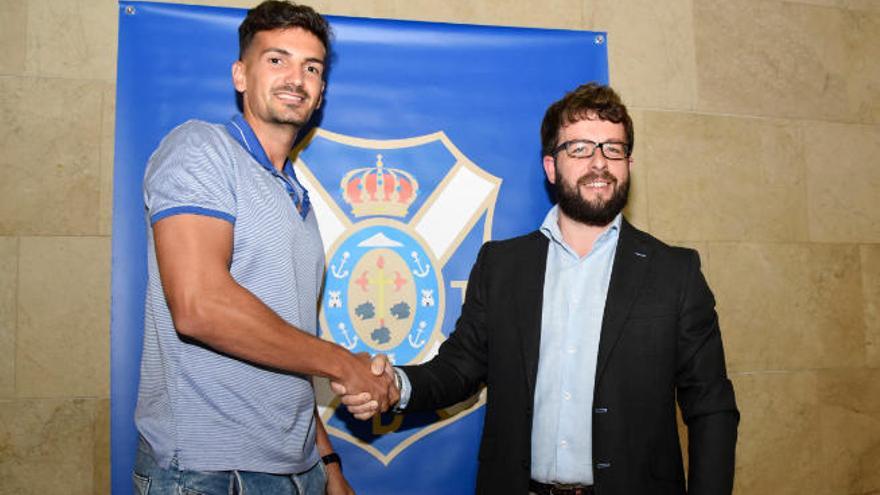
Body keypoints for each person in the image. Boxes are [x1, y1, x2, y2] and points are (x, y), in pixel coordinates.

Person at [337, 83, 739, 494]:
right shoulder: (503, 266)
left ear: (628, 164)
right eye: (580, 148)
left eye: (612, 149)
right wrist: (395, 385)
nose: (599, 163)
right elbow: (458, 369)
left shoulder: (675, 272)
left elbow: (712, 406)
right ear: (551, 167)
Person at [133, 2, 397, 493]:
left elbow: (285, 344)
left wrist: (329, 464)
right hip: (206, 472)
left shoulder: (298, 199)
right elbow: (200, 307)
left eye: (311, 67)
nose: (296, 78)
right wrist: (346, 365)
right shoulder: (201, 149)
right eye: (277, 60)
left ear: (320, 93)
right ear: (240, 74)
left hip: (299, 471)